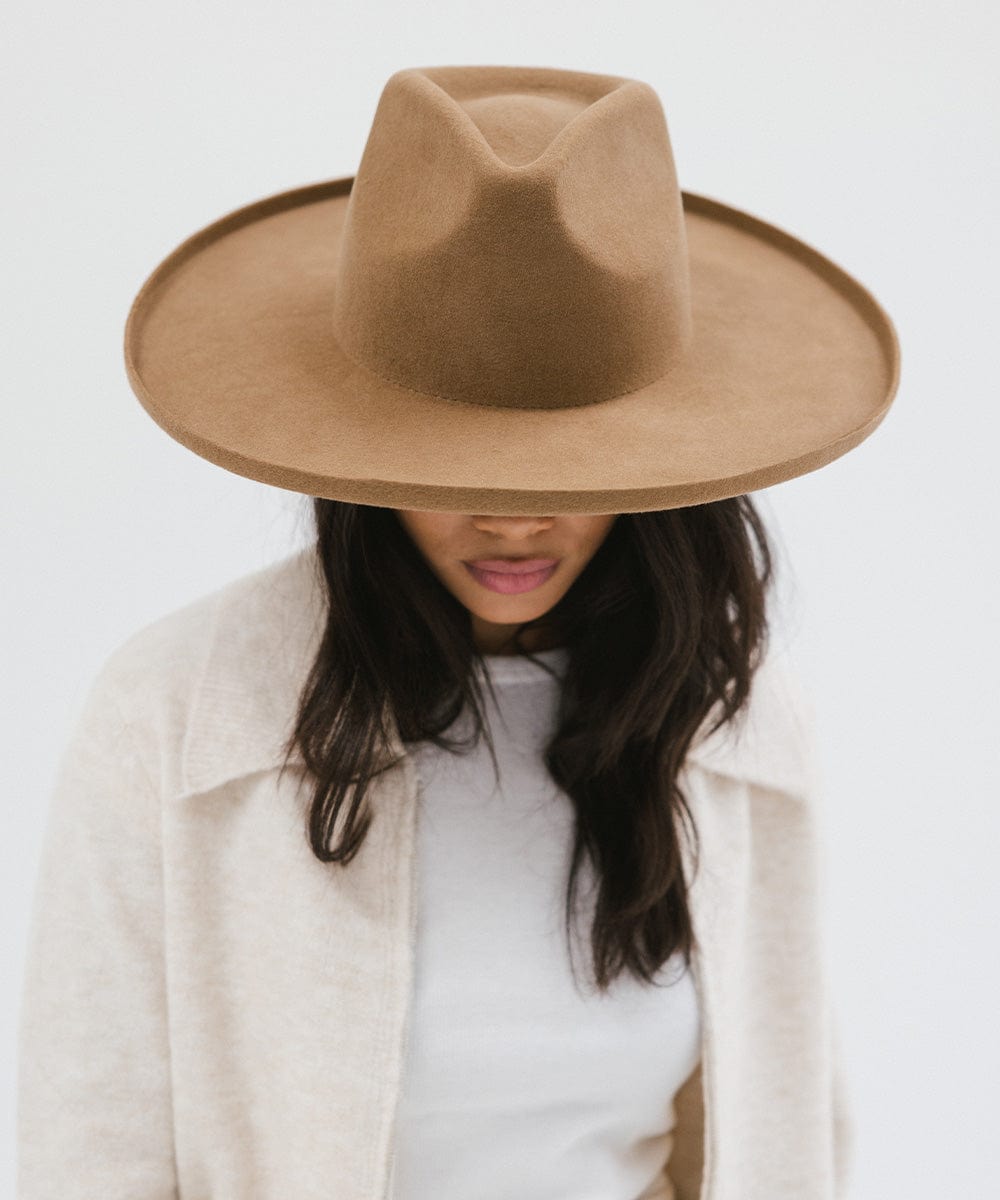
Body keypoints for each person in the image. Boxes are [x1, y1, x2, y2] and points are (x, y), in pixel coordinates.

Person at [15, 63, 900, 1200]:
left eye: (570, 474)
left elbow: (790, 1137)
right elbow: (89, 1144)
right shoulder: (180, 714)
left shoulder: (737, 720)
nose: (514, 520)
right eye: (454, 469)